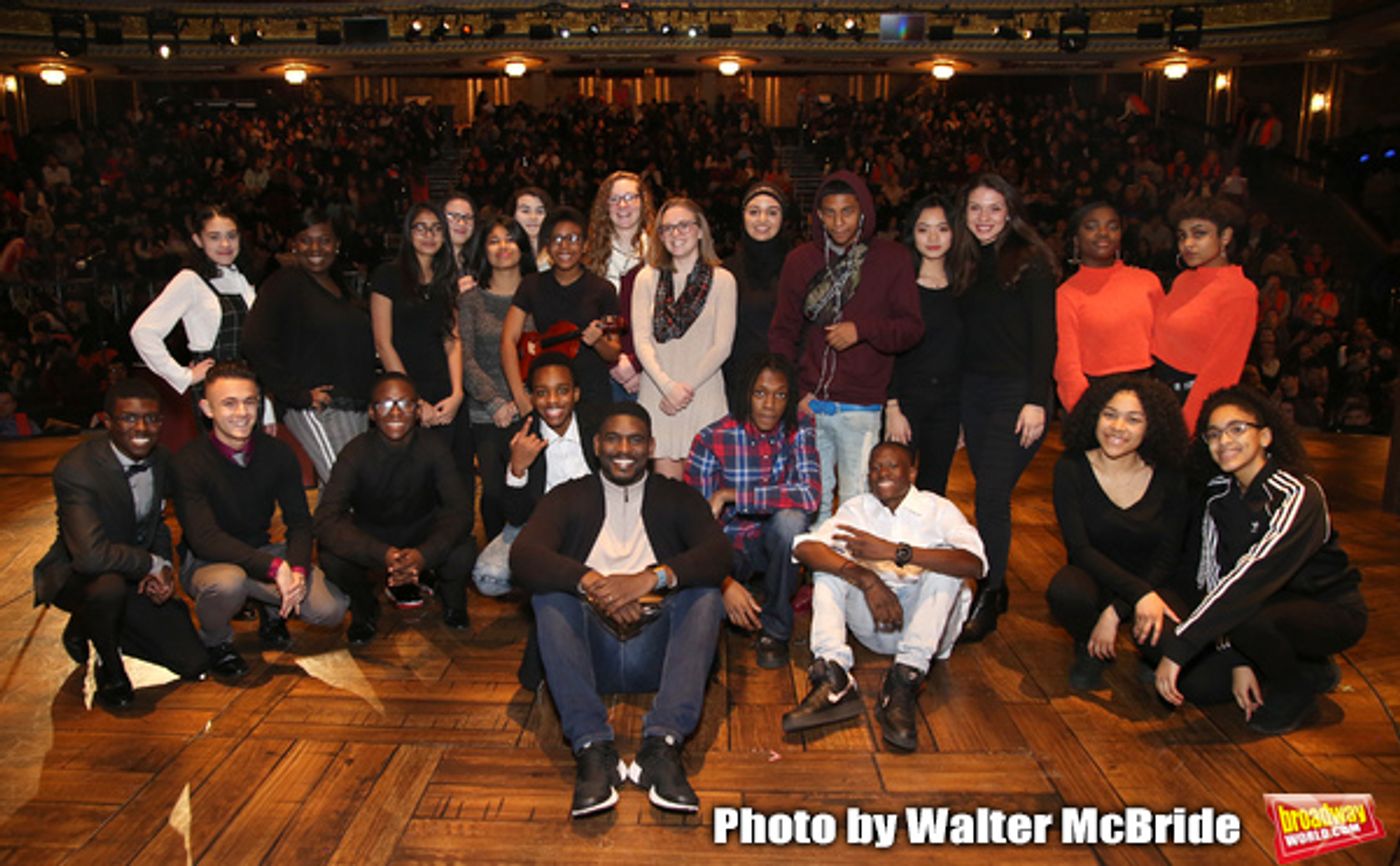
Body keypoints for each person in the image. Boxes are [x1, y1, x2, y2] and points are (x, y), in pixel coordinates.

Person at [510, 403, 729, 818]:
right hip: (588, 653)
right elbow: (523, 555)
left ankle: (661, 749)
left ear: (650, 445)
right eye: (613, 438)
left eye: (634, 439)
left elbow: (719, 554)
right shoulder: (569, 495)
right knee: (549, 597)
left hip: (659, 650)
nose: (623, 448)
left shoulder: (676, 496)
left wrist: (649, 579)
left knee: (705, 596)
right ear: (597, 445)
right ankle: (594, 750)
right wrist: (596, 584)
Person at [1154, 386, 1367, 734]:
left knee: (1246, 623)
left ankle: (1297, 692)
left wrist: (1181, 646)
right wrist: (1237, 659)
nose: (1224, 441)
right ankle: (1308, 667)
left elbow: (1254, 573)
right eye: (1213, 434)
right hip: (1261, 609)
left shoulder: (1297, 493)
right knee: (1199, 686)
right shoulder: (1216, 497)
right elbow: (1216, 579)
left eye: (1237, 429)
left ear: (1266, 436)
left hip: (1329, 609)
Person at [781, 442, 986, 752]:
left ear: (912, 472)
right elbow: (804, 548)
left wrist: (896, 552)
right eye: (875, 467)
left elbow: (975, 563)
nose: (882, 473)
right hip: (875, 625)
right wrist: (866, 578)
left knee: (945, 566)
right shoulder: (858, 509)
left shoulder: (938, 509)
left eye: (892, 466)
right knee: (830, 567)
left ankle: (904, 680)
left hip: (929, 632)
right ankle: (833, 675)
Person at [32, 378, 208, 708]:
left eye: (152, 418)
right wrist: (149, 564)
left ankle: (90, 623)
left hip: (133, 571)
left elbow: (156, 523)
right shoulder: (77, 469)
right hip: (80, 575)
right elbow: (90, 556)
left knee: (193, 662)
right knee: (106, 589)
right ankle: (109, 665)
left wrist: (163, 567)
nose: (142, 427)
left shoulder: (161, 460)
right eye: (128, 418)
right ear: (107, 421)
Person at [173, 362, 349, 678]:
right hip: (206, 562)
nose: (241, 412)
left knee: (330, 609)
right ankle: (217, 643)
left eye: (250, 401)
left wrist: (295, 569)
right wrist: (274, 569)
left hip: (261, 551)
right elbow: (204, 538)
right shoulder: (188, 462)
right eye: (229, 403)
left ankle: (271, 611)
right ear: (207, 409)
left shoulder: (277, 453)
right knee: (228, 584)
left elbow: (299, 522)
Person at [768, 170, 923, 524]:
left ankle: (850, 580)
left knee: (857, 507)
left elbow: (911, 328)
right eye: (830, 212)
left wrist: (862, 330)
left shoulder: (890, 259)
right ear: (819, 215)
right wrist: (794, 391)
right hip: (811, 405)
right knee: (814, 504)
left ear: (863, 212)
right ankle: (822, 579)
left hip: (861, 406)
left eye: (848, 211)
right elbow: (782, 332)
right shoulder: (801, 261)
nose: (839, 221)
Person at [948, 173, 1060, 641]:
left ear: (1011, 211)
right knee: (985, 490)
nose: (985, 218)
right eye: (976, 208)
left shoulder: (1030, 262)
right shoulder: (965, 262)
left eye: (995, 208)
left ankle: (990, 592)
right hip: (974, 391)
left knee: (992, 494)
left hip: (1017, 393)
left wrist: (1037, 399)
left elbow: (1045, 337)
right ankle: (998, 584)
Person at [1046, 375, 1190, 690]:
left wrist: (1116, 612)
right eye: (1109, 414)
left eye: (1133, 419)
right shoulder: (1071, 467)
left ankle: (1148, 654)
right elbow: (1080, 549)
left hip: (1154, 582)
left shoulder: (1171, 474)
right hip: (1096, 576)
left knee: (1171, 645)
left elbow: (1169, 555)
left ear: (1152, 426)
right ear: (1094, 415)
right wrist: (1127, 599)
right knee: (1065, 590)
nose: (1117, 427)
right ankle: (1089, 647)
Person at [314, 373, 475, 641]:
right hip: (374, 537)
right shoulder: (355, 452)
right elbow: (326, 519)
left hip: (423, 532)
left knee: (463, 549)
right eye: (386, 404)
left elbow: (459, 511)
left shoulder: (434, 448)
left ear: (417, 410)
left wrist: (425, 554)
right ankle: (364, 607)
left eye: (405, 404)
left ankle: (454, 602)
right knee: (331, 556)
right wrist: (383, 554)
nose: (396, 412)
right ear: (372, 412)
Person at [685, 353, 819, 668]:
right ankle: (718, 615)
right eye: (760, 393)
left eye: (780, 395)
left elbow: (810, 495)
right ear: (746, 393)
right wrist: (723, 582)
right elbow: (697, 527)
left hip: (770, 541)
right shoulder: (712, 438)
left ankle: (776, 630)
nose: (770, 404)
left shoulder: (800, 427)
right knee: (702, 606)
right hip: (726, 546)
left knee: (791, 521)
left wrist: (733, 495)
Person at [243, 209, 374, 486]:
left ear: (336, 244)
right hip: (320, 409)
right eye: (306, 240)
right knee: (350, 488)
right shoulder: (284, 283)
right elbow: (254, 342)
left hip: (355, 406)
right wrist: (296, 394)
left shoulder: (340, 285)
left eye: (324, 240)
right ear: (294, 244)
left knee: (337, 495)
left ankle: (317, 532)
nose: (315, 248)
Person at [370, 203, 475, 512]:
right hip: (405, 392)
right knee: (414, 481)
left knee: (456, 478)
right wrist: (413, 402)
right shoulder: (388, 276)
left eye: (436, 228)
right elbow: (383, 343)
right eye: (421, 227)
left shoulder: (446, 278)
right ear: (408, 232)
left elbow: (452, 339)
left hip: (445, 392)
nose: (429, 235)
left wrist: (457, 394)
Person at [473, 352, 598, 598]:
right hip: (540, 526)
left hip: (593, 522)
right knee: (488, 577)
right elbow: (516, 517)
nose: (552, 401)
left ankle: (559, 580)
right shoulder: (518, 437)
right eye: (542, 392)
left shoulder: (598, 428)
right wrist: (517, 469)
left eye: (562, 390)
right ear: (531, 397)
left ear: (576, 393)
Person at [631, 197, 737, 479]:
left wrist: (683, 389)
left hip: (703, 395)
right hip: (658, 394)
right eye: (666, 229)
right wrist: (668, 386)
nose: (675, 234)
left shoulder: (723, 280)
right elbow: (641, 341)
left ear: (700, 230)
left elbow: (722, 346)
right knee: (666, 498)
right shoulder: (646, 278)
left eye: (683, 226)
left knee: (702, 499)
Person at [129, 204, 258, 406]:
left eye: (232, 236)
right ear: (198, 240)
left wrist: (267, 410)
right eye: (214, 237)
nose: (225, 244)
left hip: (248, 385)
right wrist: (183, 376)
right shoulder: (189, 280)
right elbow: (143, 332)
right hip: (213, 389)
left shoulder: (242, 280)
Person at [458, 215, 538, 541]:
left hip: (532, 408)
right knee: (493, 494)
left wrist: (525, 399)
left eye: (510, 239)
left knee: (531, 491)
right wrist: (493, 402)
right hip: (487, 414)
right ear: (483, 249)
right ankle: (495, 561)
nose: (503, 247)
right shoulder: (471, 301)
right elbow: (464, 357)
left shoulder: (538, 294)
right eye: (494, 240)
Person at [1150, 197, 1258, 430]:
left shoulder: (1240, 291)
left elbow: (1222, 370)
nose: (1188, 243)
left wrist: (1188, 426)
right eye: (1182, 235)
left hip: (1191, 403)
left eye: (1199, 234)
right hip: (1158, 396)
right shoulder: (1183, 279)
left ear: (1225, 236)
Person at [501, 206, 621, 409]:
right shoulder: (531, 285)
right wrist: (520, 397)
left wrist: (598, 341)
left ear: (585, 246)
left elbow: (614, 352)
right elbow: (507, 341)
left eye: (573, 239)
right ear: (547, 246)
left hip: (592, 392)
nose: (564, 246)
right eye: (557, 239)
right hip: (549, 392)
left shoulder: (603, 289)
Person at [1053, 202, 1165, 413]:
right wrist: (1085, 412)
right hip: (1095, 394)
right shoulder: (1066, 294)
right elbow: (1067, 365)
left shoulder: (1148, 281)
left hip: (1148, 390)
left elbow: (1166, 344)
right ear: (1076, 239)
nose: (1103, 233)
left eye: (1112, 226)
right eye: (1092, 226)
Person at [885, 193, 962, 496]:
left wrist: (963, 420)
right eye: (923, 229)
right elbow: (887, 349)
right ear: (911, 233)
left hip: (947, 407)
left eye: (942, 229)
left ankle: (920, 547)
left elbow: (966, 355)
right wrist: (892, 407)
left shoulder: (964, 286)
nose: (933, 237)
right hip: (904, 404)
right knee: (892, 490)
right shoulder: (899, 286)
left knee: (934, 493)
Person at [582, 171, 655, 400]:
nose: (623, 205)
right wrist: (612, 360)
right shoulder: (588, 255)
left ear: (643, 203)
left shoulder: (661, 252)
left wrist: (636, 364)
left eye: (631, 197)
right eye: (614, 199)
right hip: (602, 370)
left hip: (652, 371)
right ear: (605, 206)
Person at [721, 183, 790, 390]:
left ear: (783, 219)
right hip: (738, 384)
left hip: (785, 384)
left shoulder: (797, 268)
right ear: (743, 217)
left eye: (772, 212)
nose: (762, 220)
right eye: (754, 212)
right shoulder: (727, 271)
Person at [508, 186, 554, 270]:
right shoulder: (505, 251)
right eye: (525, 211)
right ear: (512, 215)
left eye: (540, 211)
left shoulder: (557, 251)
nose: (533, 217)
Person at [442, 192, 478, 295]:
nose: (462, 223)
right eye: (453, 216)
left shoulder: (480, 261)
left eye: (468, 217)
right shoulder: (428, 263)